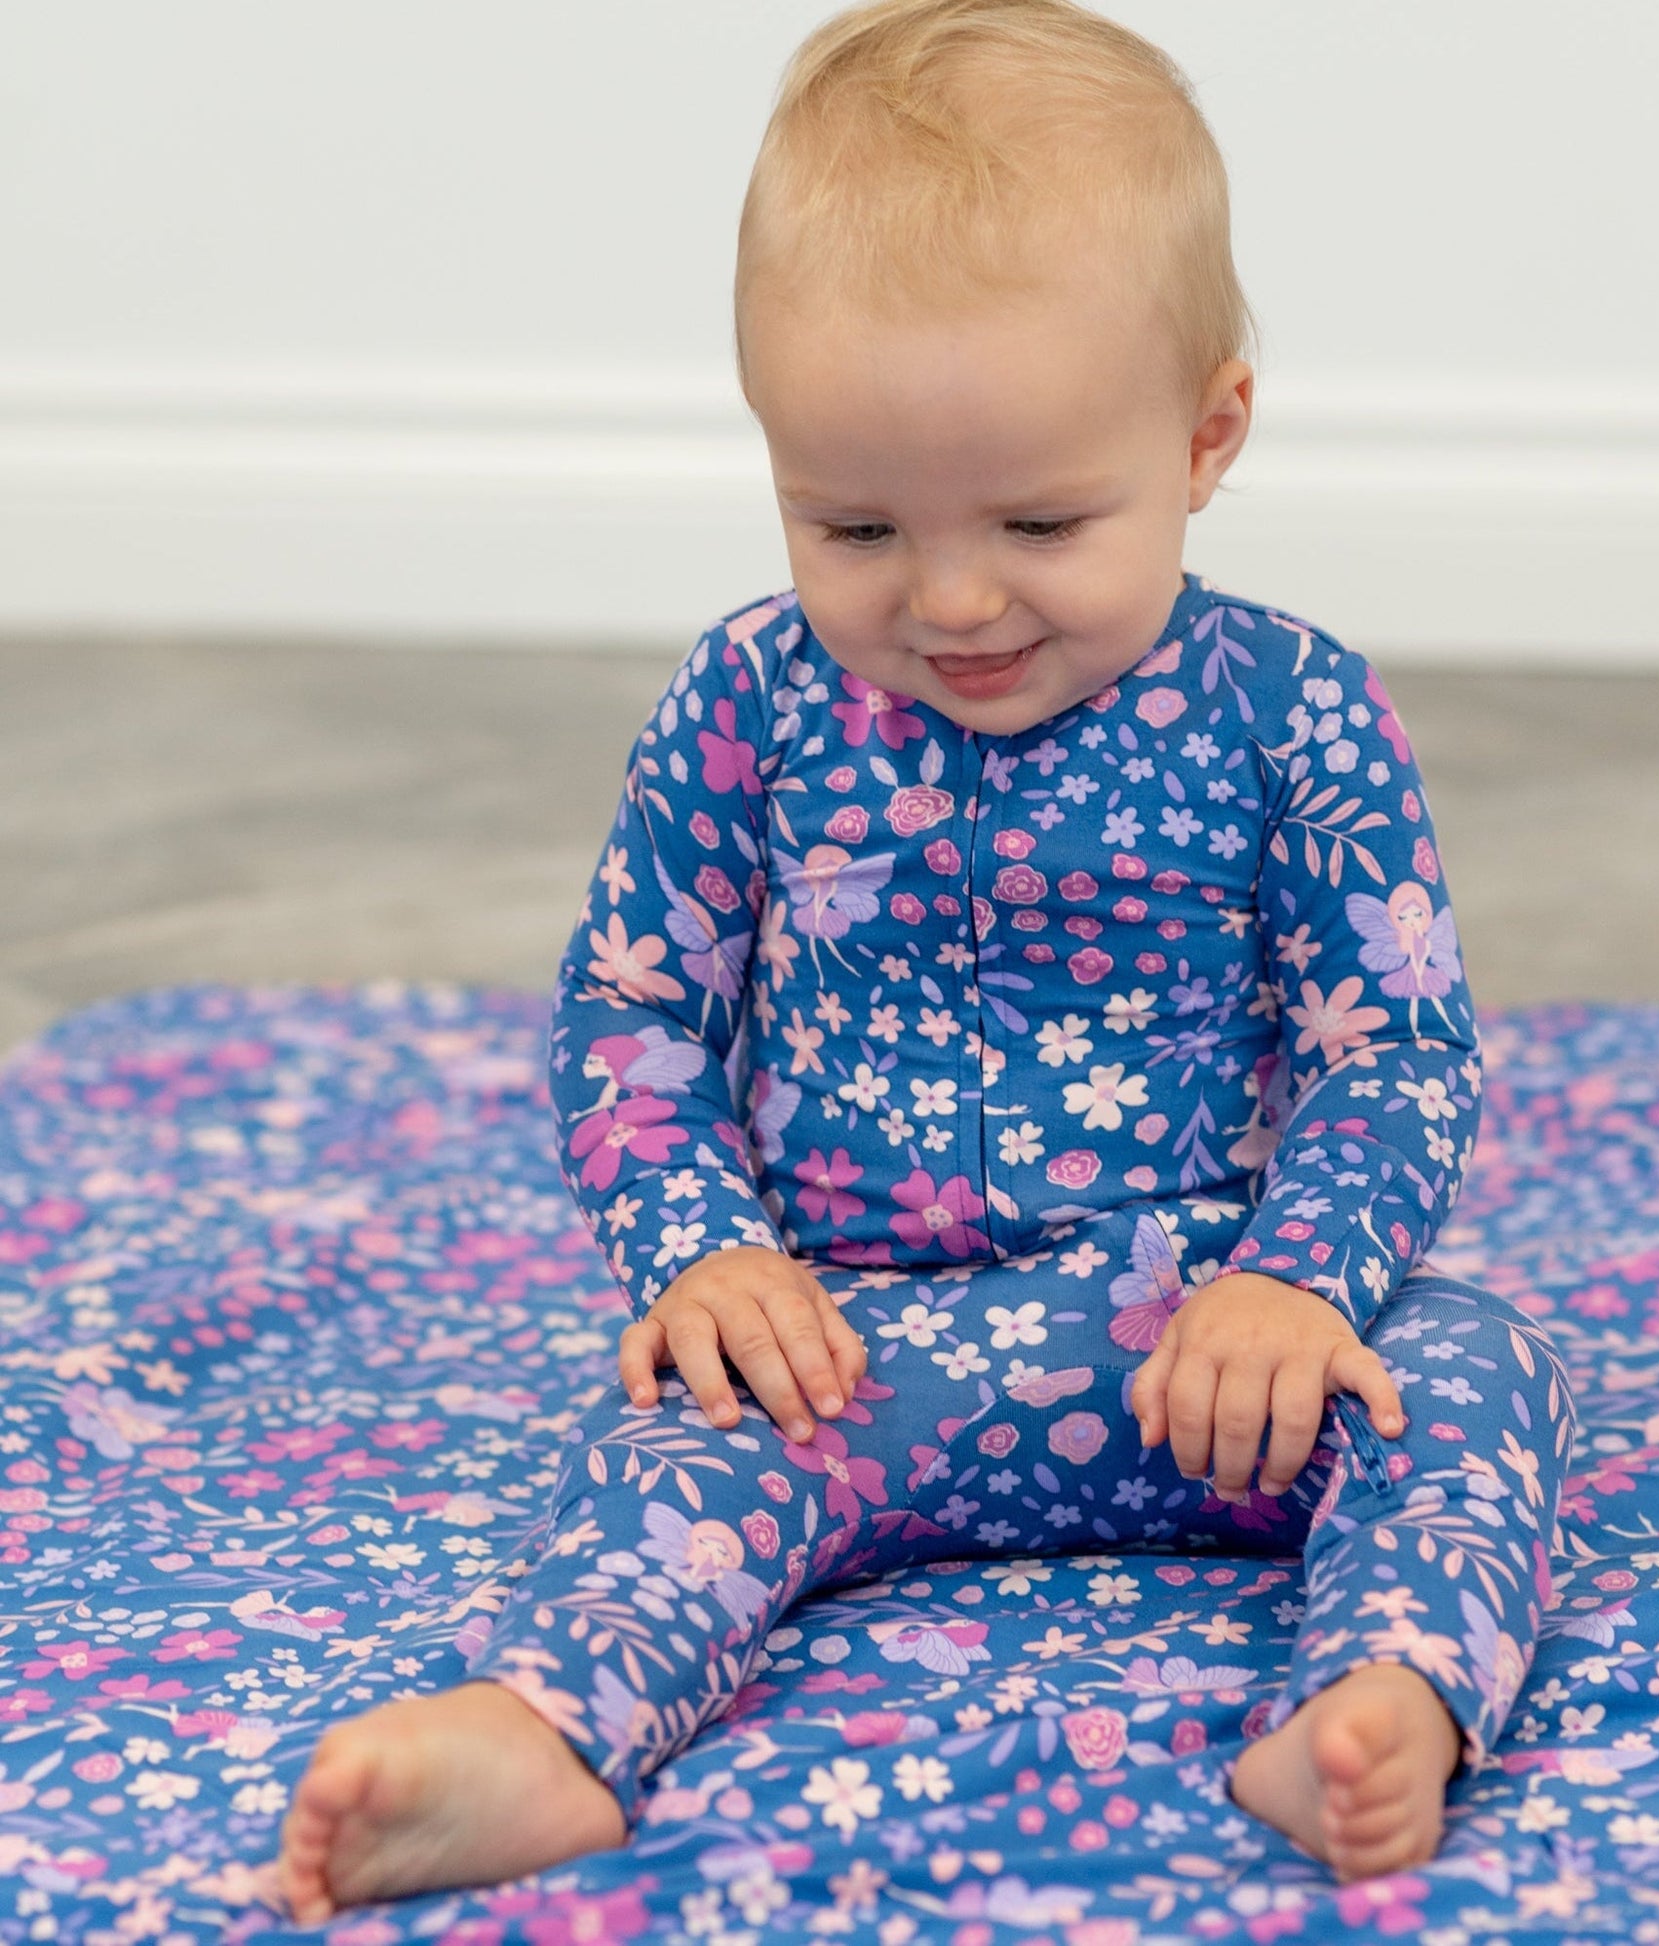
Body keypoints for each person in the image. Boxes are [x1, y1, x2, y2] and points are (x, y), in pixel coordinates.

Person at [278, 0, 1575, 1916]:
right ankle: (536, 1734)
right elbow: (634, 1012)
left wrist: (1294, 1283)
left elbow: (1390, 1046)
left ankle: (1377, 1695)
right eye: (856, 522)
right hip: (845, 1349)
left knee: (1464, 1373)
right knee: (667, 1452)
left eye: (1041, 520)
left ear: (1205, 434)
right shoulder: (744, 698)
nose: (952, 597)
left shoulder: (1294, 706)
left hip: (1201, 1343)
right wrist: (703, 1257)